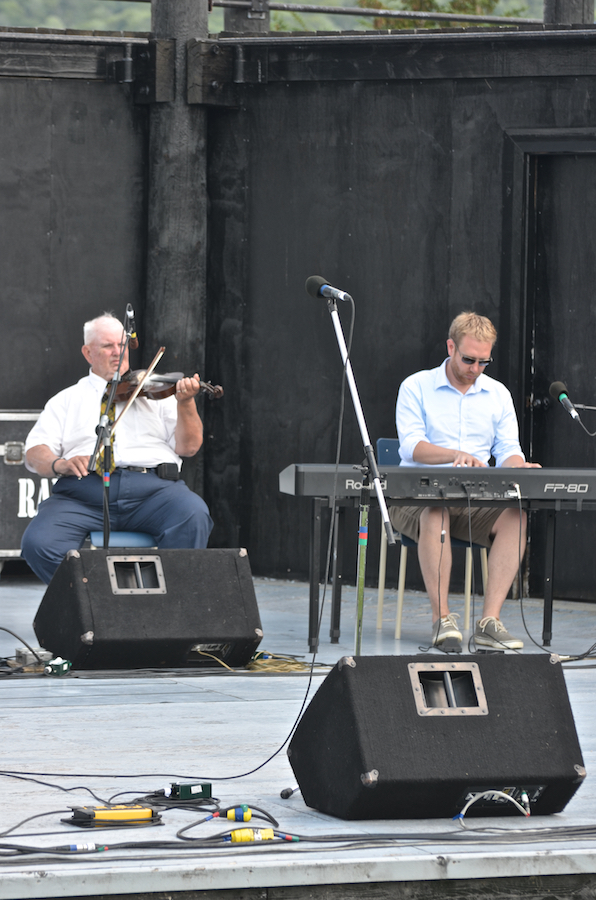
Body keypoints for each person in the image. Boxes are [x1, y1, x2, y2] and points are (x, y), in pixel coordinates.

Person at [21, 313, 213, 583]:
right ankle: (97, 602)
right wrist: (59, 464)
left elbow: (189, 447)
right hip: (84, 495)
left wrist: (186, 403)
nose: (117, 353)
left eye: (122, 346)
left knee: (193, 515)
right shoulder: (66, 400)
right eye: (107, 346)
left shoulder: (156, 393)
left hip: (154, 492)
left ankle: (169, 608)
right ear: (88, 353)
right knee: (39, 542)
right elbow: (34, 452)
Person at [390, 311, 540, 651]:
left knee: (516, 516)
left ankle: (490, 622)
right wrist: (454, 454)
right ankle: (441, 619)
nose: (475, 369)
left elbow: (507, 449)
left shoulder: (497, 394)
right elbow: (411, 446)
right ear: (450, 346)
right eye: (468, 359)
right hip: (415, 499)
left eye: (483, 362)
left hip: (473, 498)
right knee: (436, 509)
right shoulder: (416, 386)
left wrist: (519, 466)